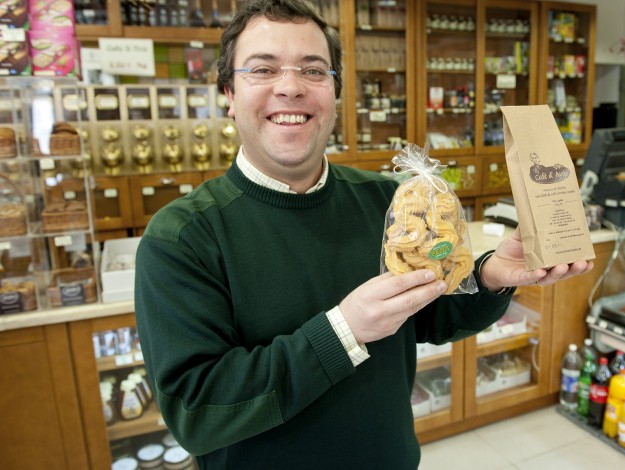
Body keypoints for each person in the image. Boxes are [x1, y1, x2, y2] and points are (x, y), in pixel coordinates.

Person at [133, 0, 594, 468]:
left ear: (334, 94)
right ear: (228, 92)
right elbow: (197, 411)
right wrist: (344, 330)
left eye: (313, 71)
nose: (290, 87)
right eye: (263, 69)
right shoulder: (182, 236)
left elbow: (430, 316)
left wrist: (492, 274)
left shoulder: (390, 201)